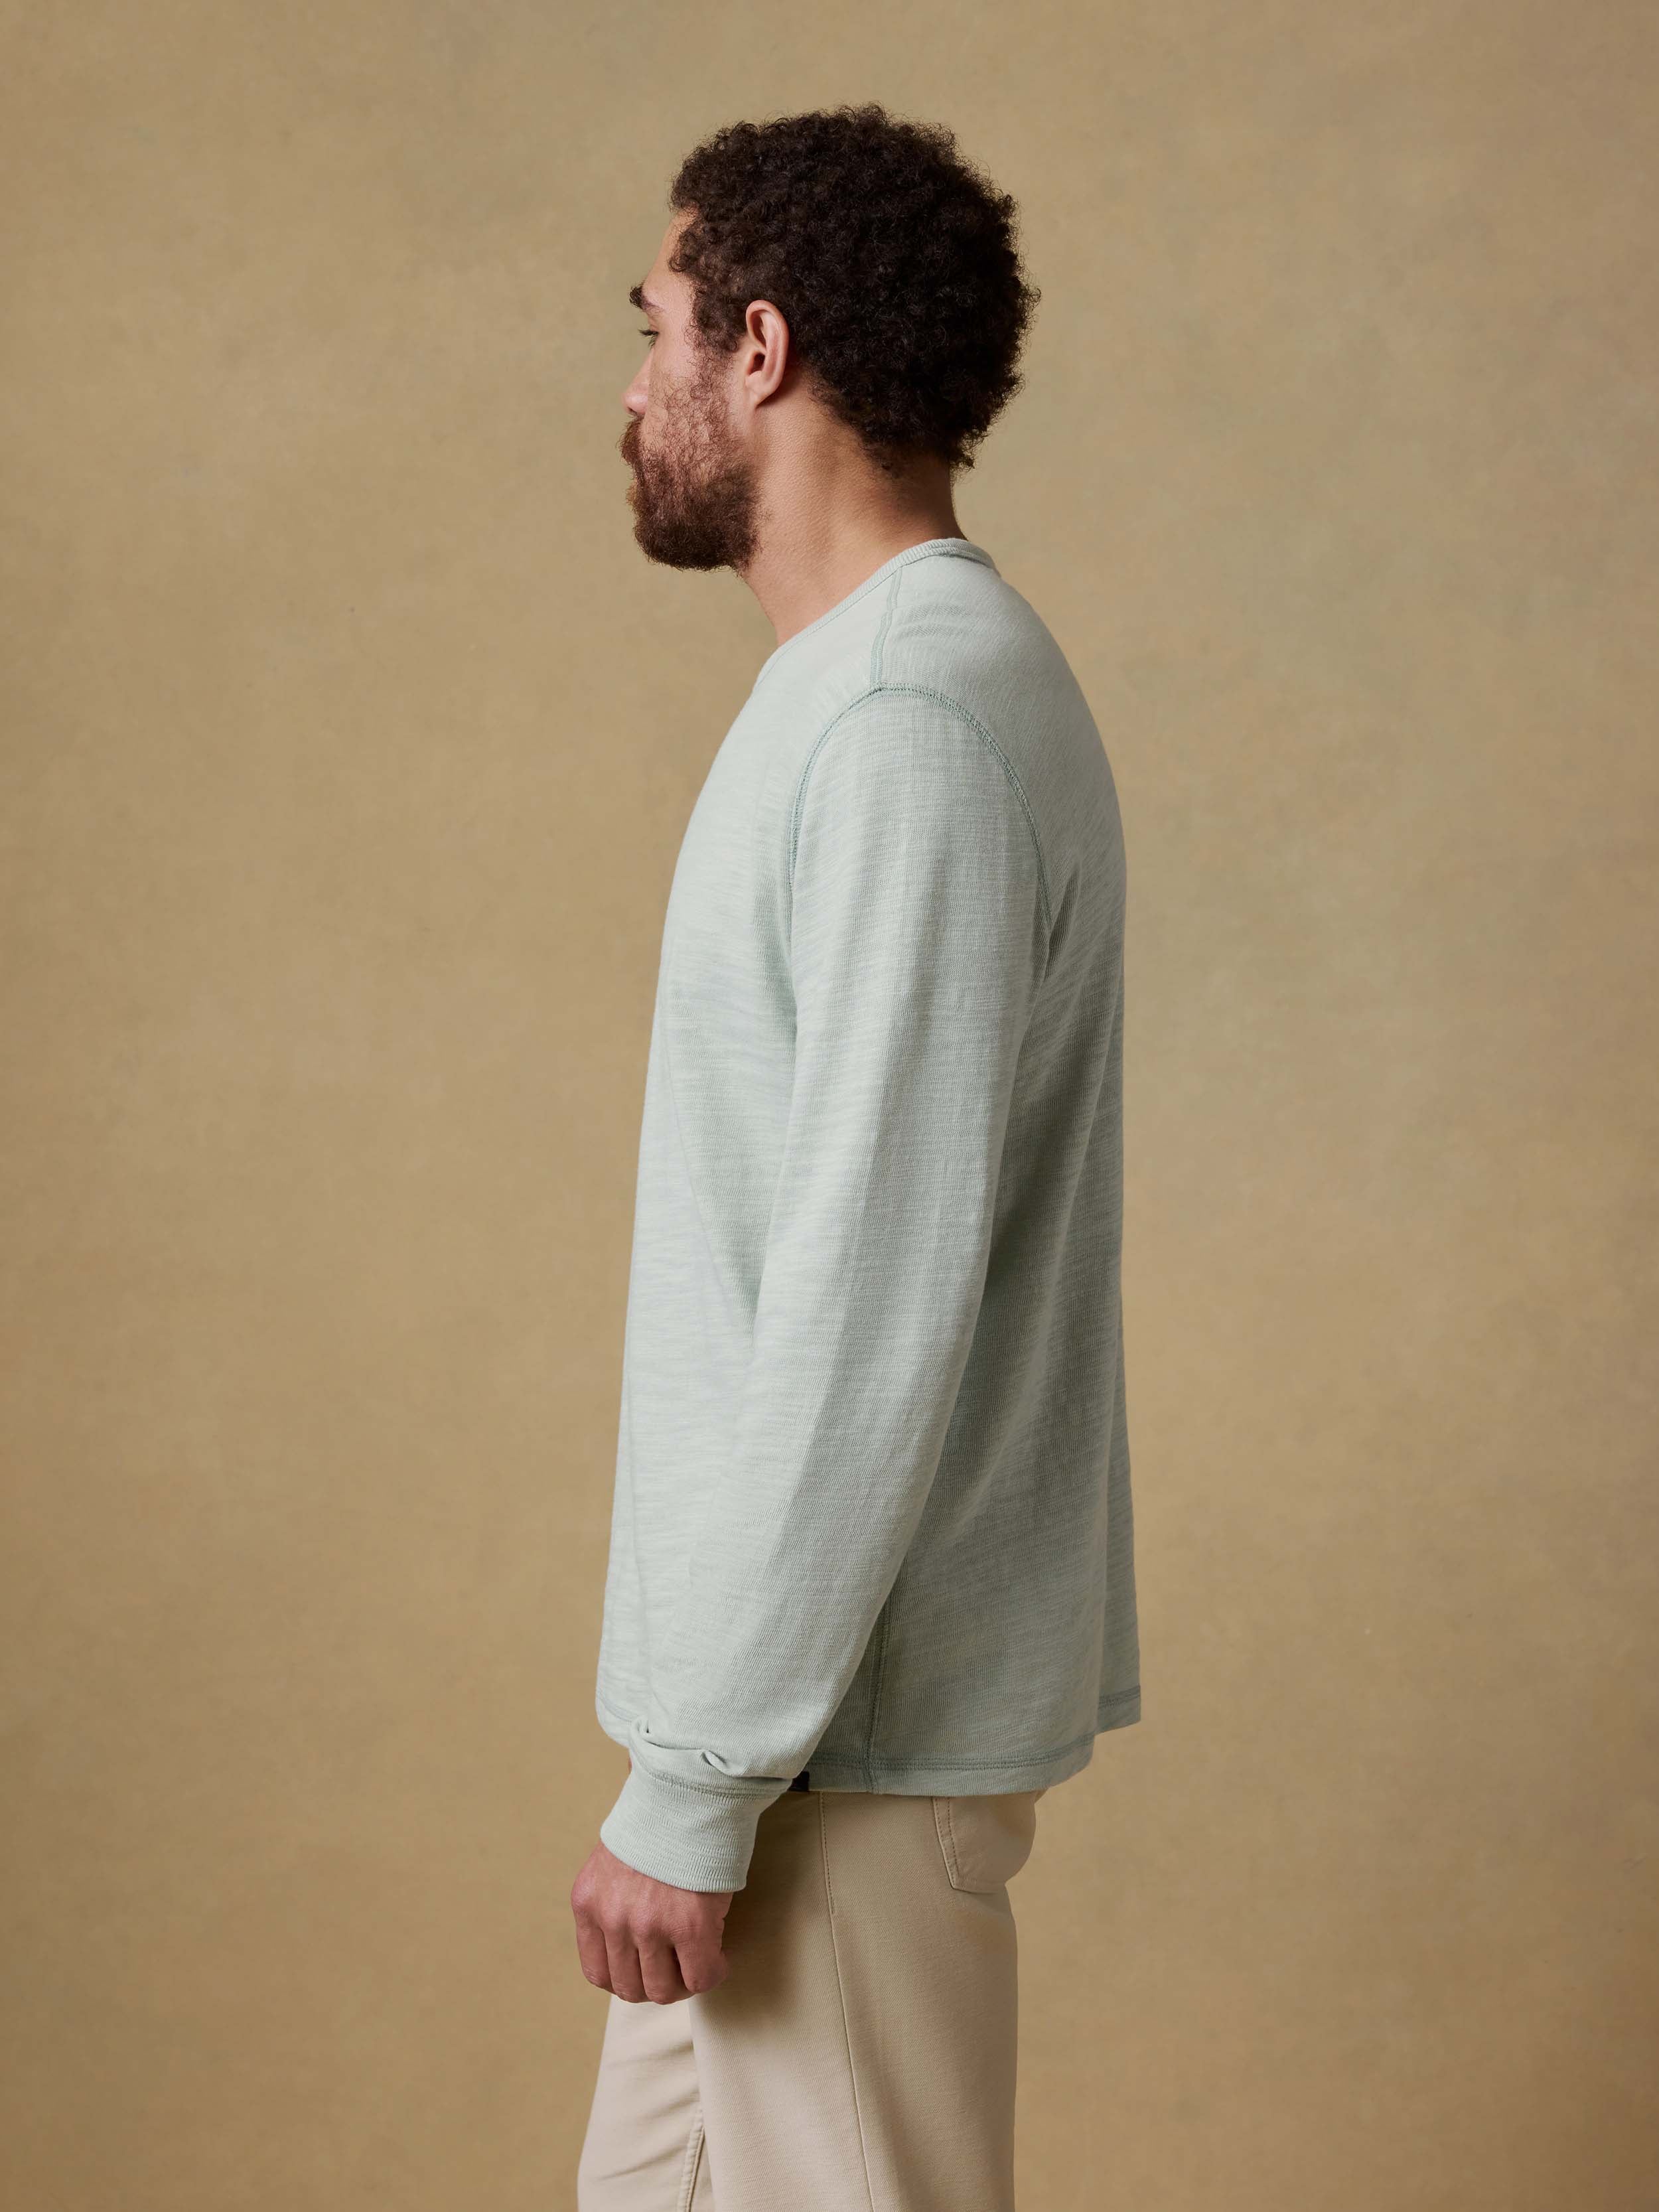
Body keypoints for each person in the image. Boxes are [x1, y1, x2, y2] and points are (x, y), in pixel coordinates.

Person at [571, 101, 1140, 2212]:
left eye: (652, 329)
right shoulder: (852, 697)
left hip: (838, 1752)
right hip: (788, 1734)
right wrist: (693, 1766)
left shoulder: (909, 721)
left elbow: (866, 1296)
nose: (628, 388)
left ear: (761, 349)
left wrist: (701, 1783)